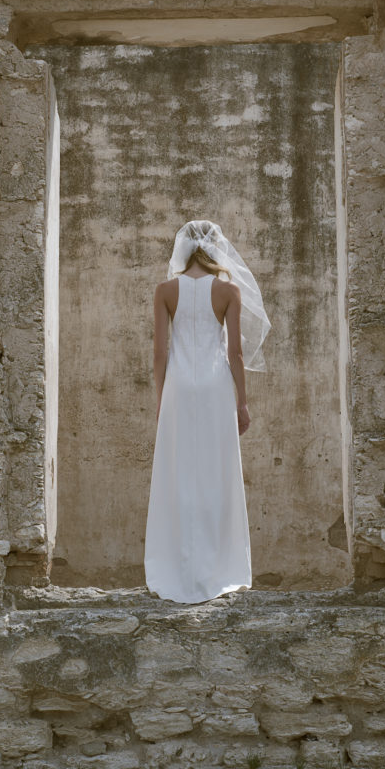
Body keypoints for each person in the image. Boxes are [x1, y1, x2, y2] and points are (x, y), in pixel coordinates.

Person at [144, 219, 271, 604]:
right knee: (217, 473)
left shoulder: (166, 290)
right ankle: (218, 568)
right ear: (217, 247)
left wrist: (162, 398)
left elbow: (160, 353)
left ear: (183, 247)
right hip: (215, 387)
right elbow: (235, 353)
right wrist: (242, 402)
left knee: (177, 473)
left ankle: (177, 568)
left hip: (180, 388)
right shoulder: (228, 290)